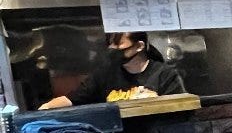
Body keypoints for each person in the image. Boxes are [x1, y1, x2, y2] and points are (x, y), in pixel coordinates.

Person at [39, 31, 185, 108]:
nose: (112, 48)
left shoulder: (165, 74)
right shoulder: (104, 74)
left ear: (139, 46)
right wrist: (46, 108)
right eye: (110, 44)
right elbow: (73, 99)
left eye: (118, 44)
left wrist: (153, 101)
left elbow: (180, 109)